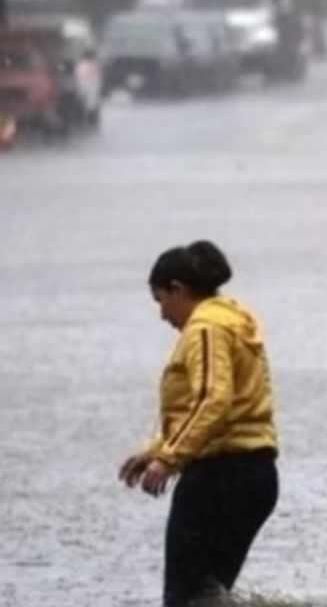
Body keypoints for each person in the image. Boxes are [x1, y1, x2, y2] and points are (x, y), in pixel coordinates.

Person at [118, 240, 279, 607]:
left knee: (184, 599)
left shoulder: (205, 329)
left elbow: (212, 400)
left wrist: (169, 458)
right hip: (256, 475)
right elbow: (221, 404)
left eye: (161, 301)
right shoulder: (235, 321)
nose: (162, 315)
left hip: (219, 478)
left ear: (179, 289)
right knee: (208, 596)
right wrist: (156, 450)